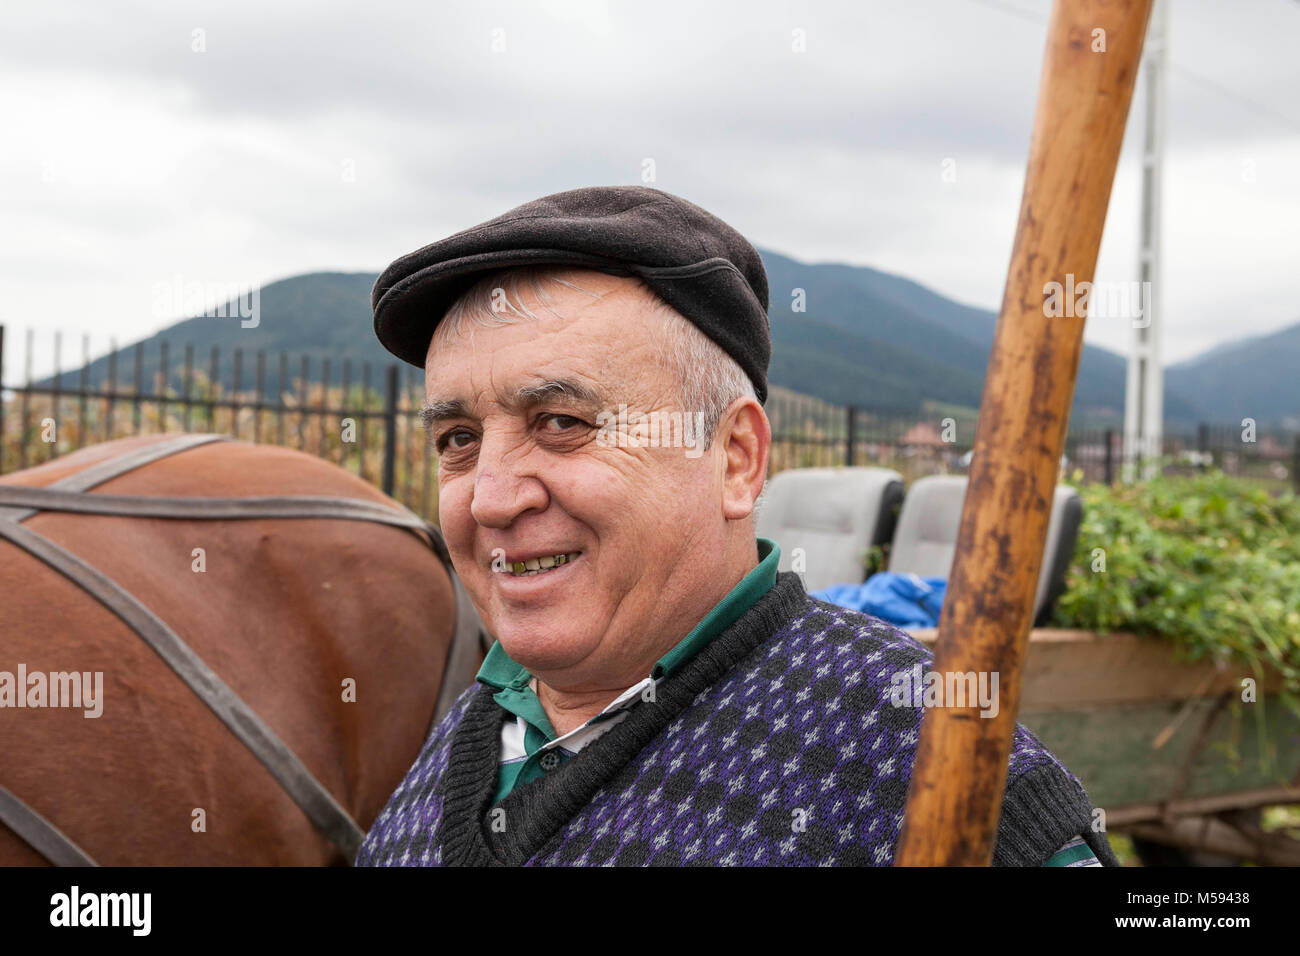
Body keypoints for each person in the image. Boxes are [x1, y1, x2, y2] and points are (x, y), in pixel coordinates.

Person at [356, 185, 1114, 866]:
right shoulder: (470, 727)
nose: (489, 498)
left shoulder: (922, 752)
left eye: (562, 422)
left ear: (735, 458)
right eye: (458, 440)